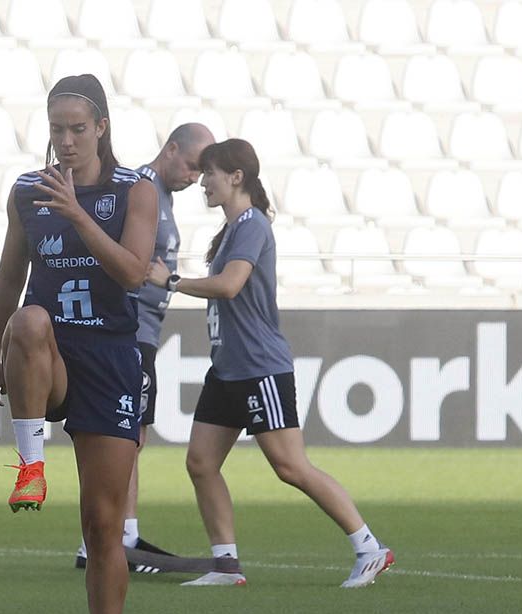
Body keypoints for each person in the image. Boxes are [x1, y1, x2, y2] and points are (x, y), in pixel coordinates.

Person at [142, 138, 394, 589]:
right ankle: (225, 565)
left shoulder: (252, 225)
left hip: (259, 368)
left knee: (290, 466)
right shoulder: (233, 229)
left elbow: (230, 285)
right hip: (228, 370)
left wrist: (171, 281)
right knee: (200, 462)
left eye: (211, 173)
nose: (203, 182)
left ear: (236, 177)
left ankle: (369, 547)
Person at [0, 74, 158, 614]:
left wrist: (78, 212)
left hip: (111, 358)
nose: (65, 141)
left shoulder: (134, 188)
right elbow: (8, 279)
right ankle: (30, 465)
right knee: (27, 319)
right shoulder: (28, 192)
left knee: (104, 526)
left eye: (77, 128)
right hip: (51, 353)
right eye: (56, 128)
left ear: (102, 128)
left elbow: (136, 273)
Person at [74, 122, 216, 571]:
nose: (194, 178)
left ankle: (122, 535)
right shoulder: (137, 188)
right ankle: (108, 540)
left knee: (133, 433)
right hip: (130, 330)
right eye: (192, 166)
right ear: (171, 149)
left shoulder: (162, 196)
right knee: (123, 433)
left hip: (146, 331)